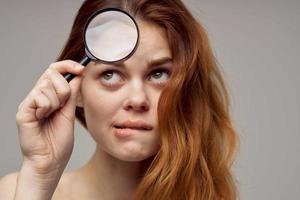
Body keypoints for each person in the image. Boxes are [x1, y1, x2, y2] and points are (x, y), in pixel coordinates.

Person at [0, 0, 239, 199]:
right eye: (110, 74)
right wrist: (41, 174)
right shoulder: (17, 191)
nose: (137, 99)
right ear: (75, 89)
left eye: (159, 74)